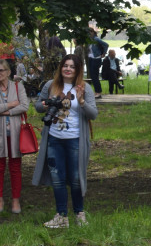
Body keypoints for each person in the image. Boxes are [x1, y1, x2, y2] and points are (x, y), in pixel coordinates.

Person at [32, 54, 98, 228]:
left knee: (76, 178)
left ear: (77, 70)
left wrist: (82, 102)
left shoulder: (84, 88)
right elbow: (38, 106)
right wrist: (46, 103)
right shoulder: (50, 85)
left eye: (72, 67)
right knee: (58, 178)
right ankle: (61, 216)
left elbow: (94, 114)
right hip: (54, 139)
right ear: (60, 67)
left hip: (75, 140)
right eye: (65, 66)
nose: (68, 69)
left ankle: (79, 214)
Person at [0, 59, 30, 215]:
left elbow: (24, 105)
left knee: (15, 167)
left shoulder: (18, 86)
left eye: (1, 70)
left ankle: (15, 200)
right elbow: (17, 104)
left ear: (8, 72)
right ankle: (0, 199)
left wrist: (6, 112)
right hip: (0, 135)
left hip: (16, 133)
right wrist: (10, 105)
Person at [86, 28, 108, 96]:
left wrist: (103, 53)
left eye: (90, 32)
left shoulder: (96, 39)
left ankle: (98, 91)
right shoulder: (89, 40)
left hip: (96, 58)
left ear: (93, 32)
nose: (89, 34)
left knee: (95, 76)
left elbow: (106, 45)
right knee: (92, 76)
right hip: (91, 58)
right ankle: (96, 91)